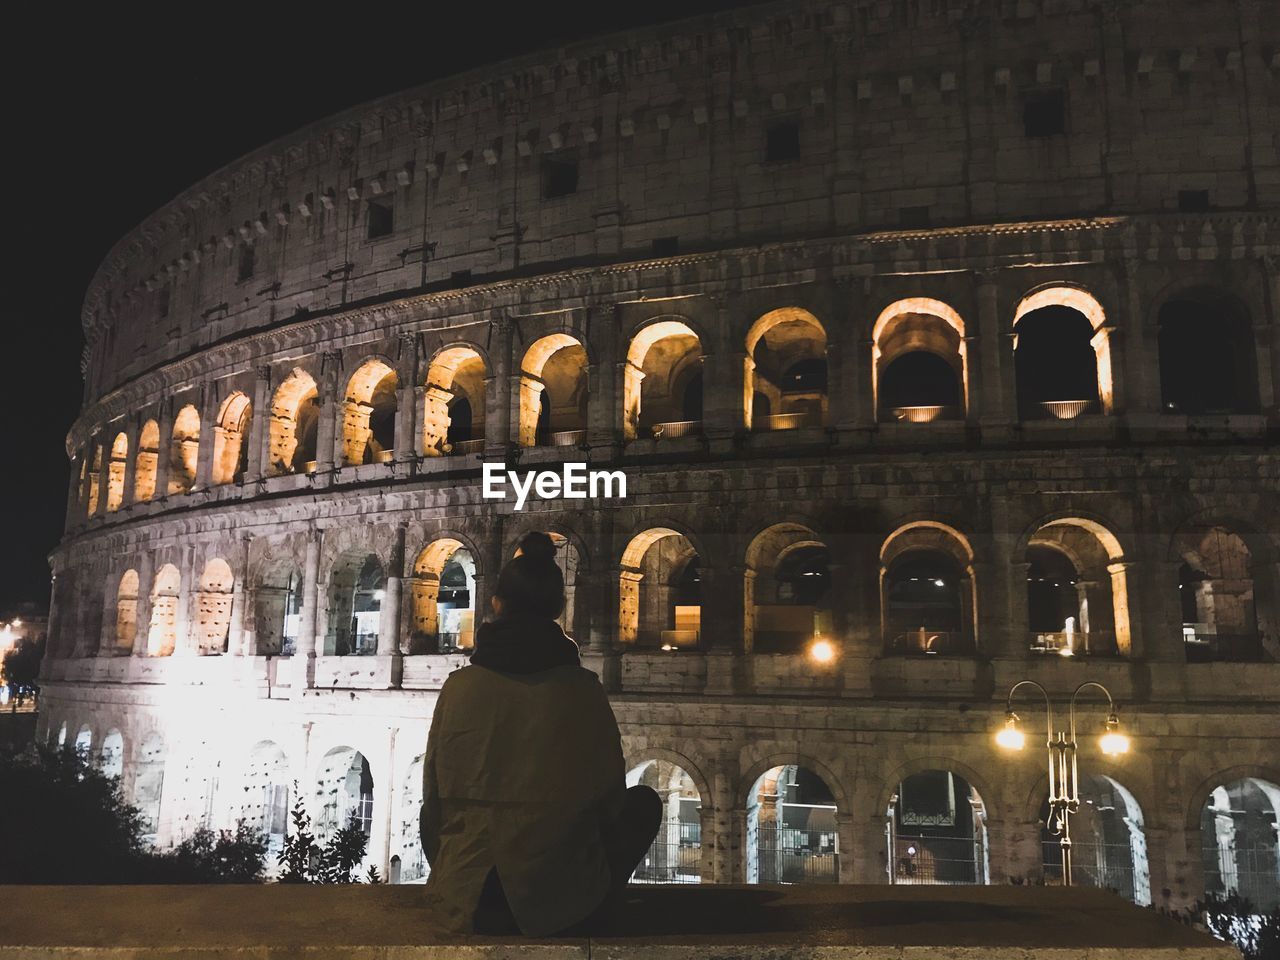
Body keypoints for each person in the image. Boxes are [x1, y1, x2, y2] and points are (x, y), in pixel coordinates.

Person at [420, 531, 661, 936]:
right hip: (559, 903)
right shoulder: (583, 689)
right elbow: (611, 801)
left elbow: (433, 801)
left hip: (470, 898)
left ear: (496, 604)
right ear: (558, 609)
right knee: (644, 804)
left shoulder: (458, 687)